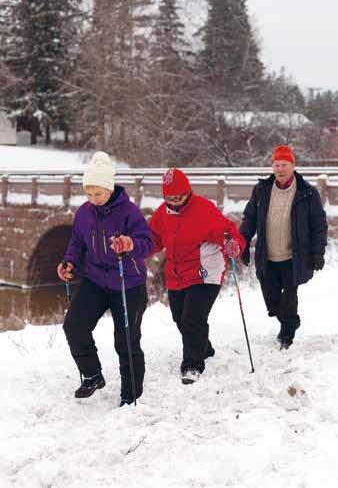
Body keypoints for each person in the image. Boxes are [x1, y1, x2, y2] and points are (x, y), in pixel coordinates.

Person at [57, 151, 152, 406]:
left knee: (126, 340)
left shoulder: (129, 212)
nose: (92, 199)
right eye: (88, 194)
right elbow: (77, 244)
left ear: (109, 189)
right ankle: (92, 374)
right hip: (96, 280)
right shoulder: (84, 214)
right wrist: (69, 263)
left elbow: (147, 243)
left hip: (128, 282)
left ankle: (130, 395)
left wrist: (129, 242)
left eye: (97, 193)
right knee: (74, 325)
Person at [149, 168, 245, 384]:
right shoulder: (162, 213)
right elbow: (153, 238)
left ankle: (192, 365)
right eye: (168, 198)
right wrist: (135, 248)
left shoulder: (203, 209)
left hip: (206, 272)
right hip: (177, 273)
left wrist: (233, 245)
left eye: (178, 197)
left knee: (193, 318)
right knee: (179, 318)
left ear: (187, 192)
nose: (173, 202)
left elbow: (229, 232)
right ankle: (205, 348)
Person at [240, 145, 328, 350]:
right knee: (271, 300)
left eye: (284, 165)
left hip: (294, 256)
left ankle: (287, 331)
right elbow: (250, 218)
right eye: (276, 165)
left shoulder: (307, 192)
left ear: (293, 165)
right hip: (267, 255)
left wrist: (318, 252)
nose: (279, 169)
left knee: (289, 297)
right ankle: (290, 321)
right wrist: (243, 244)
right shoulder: (261, 190)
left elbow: (318, 224)